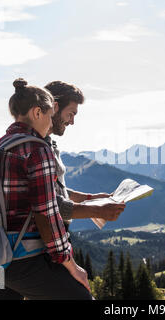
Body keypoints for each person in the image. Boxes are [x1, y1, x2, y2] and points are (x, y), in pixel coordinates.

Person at [0, 78, 93, 300]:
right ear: (37, 113)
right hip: (24, 257)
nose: (51, 121)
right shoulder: (37, 149)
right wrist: (72, 266)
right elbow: (47, 212)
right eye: (49, 114)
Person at [43, 81, 126, 225]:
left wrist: (90, 198)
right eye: (70, 114)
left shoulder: (48, 144)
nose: (72, 122)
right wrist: (98, 210)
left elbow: (55, 191)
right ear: (54, 107)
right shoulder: (38, 149)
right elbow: (48, 203)